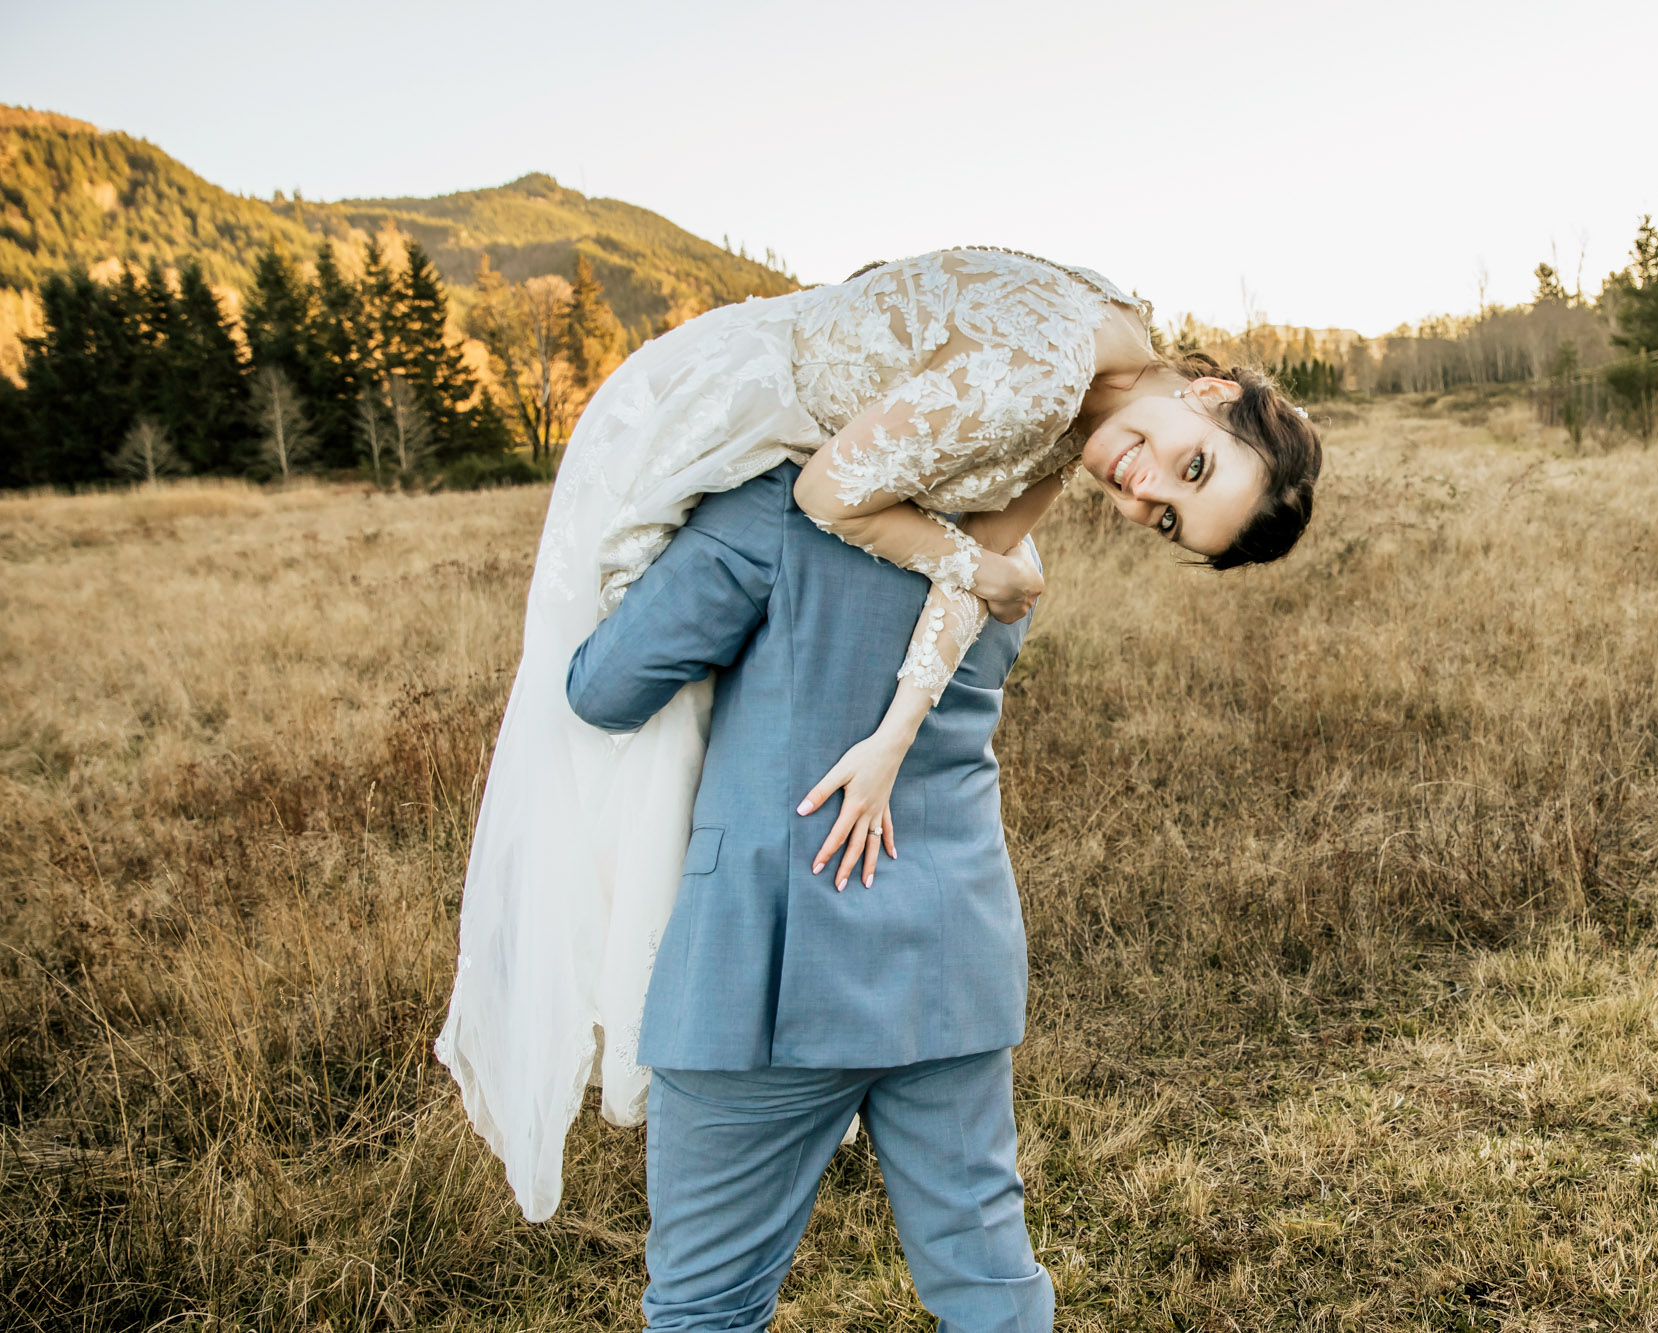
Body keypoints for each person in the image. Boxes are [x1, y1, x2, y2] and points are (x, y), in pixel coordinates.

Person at [434, 246, 1320, 1221]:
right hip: (736, 399)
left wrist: (893, 734)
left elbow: (970, 559)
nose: (1142, 489)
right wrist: (982, 574)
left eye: (1164, 518)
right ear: (1211, 388)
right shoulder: (1041, 380)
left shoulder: (1090, 394)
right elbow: (853, 505)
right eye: (1190, 467)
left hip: (817, 486)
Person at [565, 461, 1052, 1330]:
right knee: (990, 1289)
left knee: (705, 1306)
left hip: (762, 960)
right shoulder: (1004, 532)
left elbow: (604, 688)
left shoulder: (773, 509)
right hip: (951, 945)